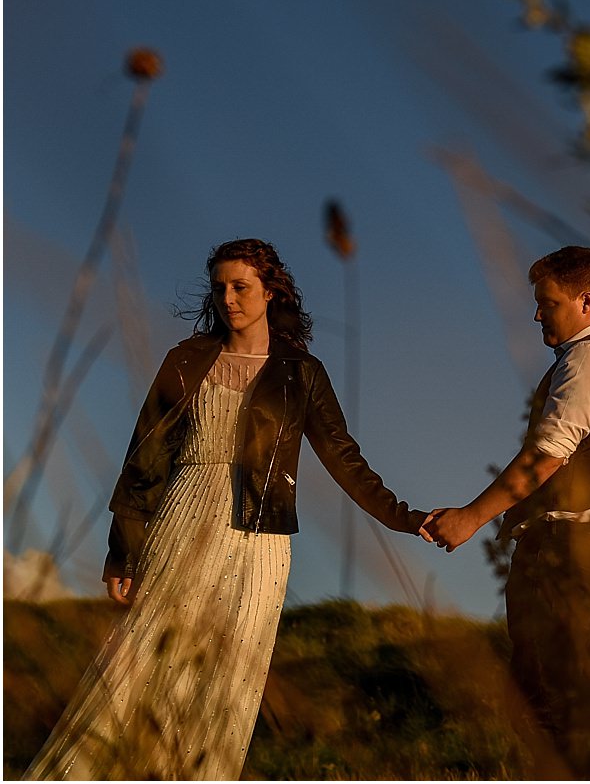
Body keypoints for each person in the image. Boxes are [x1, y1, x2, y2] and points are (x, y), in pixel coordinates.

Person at [26, 239, 426, 781]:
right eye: (220, 288)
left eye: (241, 287)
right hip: (183, 515)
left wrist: (406, 517)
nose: (228, 299)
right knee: (142, 658)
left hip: (261, 539)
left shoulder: (301, 372)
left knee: (228, 681)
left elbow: (344, 458)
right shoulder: (186, 360)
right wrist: (122, 552)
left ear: (271, 290)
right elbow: (144, 458)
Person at [422, 245, 590, 776]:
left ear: (586, 301)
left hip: (573, 541)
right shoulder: (585, 358)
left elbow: (546, 457)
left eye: (548, 302)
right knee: (558, 689)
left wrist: (471, 517)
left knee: (547, 698)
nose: (537, 313)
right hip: (571, 541)